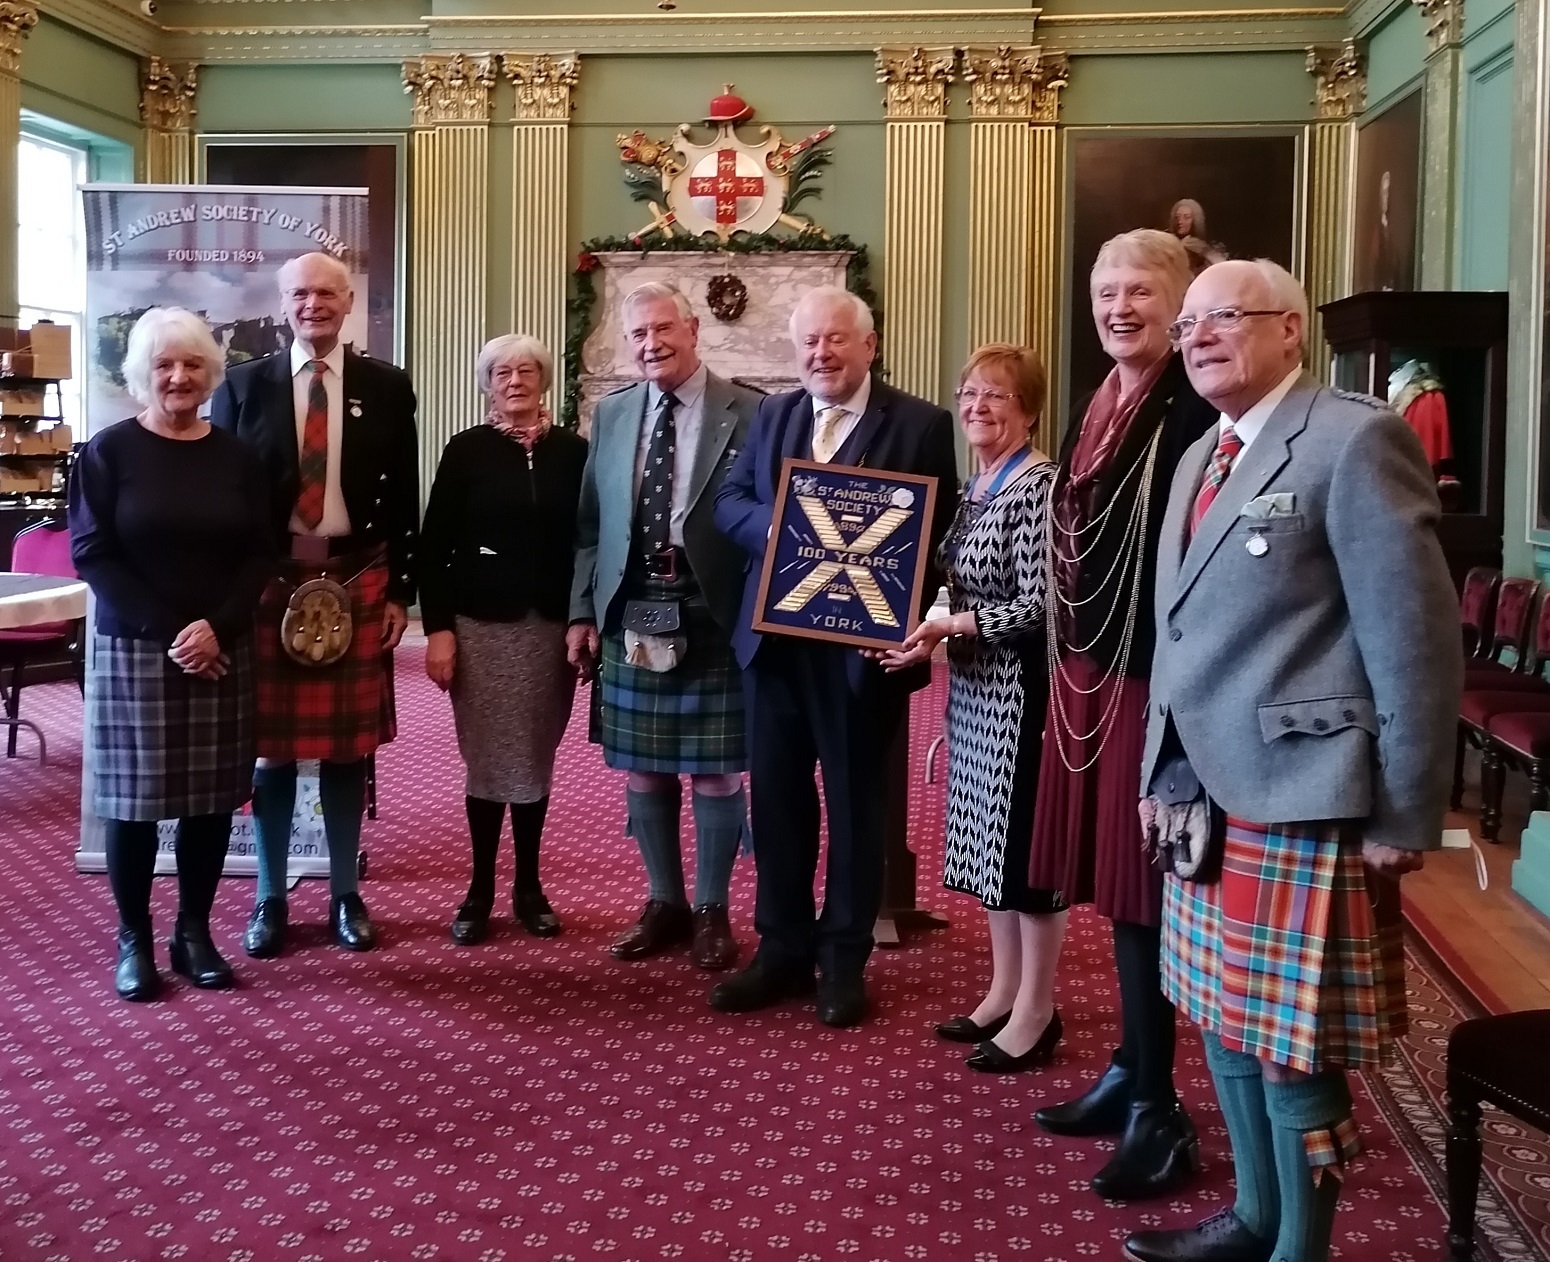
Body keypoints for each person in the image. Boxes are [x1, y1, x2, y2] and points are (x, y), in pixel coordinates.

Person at [1122, 258, 1460, 1262]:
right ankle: (1253, 1219)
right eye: (1187, 323)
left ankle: (1297, 1249)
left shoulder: (1355, 438)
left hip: (1303, 790)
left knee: (1290, 1047)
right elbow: (1177, 634)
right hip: (1203, 789)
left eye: (1223, 316)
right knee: (1222, 1019)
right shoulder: (1200, 452)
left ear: (1287, 329)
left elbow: (1413, 636)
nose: (1197, 336)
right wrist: (1158, 772)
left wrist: (1406, 810)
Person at [710, 285, 959, 1028]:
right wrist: (789, 526)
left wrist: (910, 618)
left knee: (856, 809)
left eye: (836, 340)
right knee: (777, 803)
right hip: (774, 648)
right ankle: (781, 949)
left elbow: (939, 535)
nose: (821, 354)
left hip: (861, 654)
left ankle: (844, 959)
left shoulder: (919, 424)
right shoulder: (774, 414)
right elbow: (729, 502)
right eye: (810, 343)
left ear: (869, 346)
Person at [1027, 229, 1217, 1200]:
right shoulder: (1098, 400)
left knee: (1144, 894)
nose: (1117, 307)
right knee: (1114, 891)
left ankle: (1157, 1104)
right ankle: (1131, 1065)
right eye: (1105, 291)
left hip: (1152, 679)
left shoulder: (1192, 406)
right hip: (1091, 673)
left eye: (1138, 290)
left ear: (1180, 304)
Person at [211, 251, 419, 957]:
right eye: (299, 294)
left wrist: (403, 591)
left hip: (356, 574)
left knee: (346, 750)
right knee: (270, 753)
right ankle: (269, 896)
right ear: (283, 304)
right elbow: (221, 496)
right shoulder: (243, 385)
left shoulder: (387, 386)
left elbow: (405, 495)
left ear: (348, 300)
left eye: (326, 292)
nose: (313, 305)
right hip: (268, 581)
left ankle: (344, 894)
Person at [69, 307, 273, 1001]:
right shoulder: (107, 452)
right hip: (137, 647)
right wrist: (175, 632)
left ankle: (193, 933)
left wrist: (217, 626)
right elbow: (92, 554)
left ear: (210, 374)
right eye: (164, 365)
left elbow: (260, 553)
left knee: (209, 803)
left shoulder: (238, 457)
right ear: (142, 375)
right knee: (132, 805)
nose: (179, 377)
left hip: (221, 647)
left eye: (191, 365)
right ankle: (133, 938)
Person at [880, 344, 1063, 1070]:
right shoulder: (977, 484)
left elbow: (1042, 607)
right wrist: (927, 632)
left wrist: (953, 627)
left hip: (1023, 693)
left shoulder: (1038, 487)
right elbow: (955, 584)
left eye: (996, 395)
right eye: (969, 394)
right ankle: (1003, 992)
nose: (978, 407)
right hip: (975, 691)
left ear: (1029, 410)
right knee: (990, 851)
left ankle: (1038, 1010)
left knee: (1023, 856)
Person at [568, 282, 761, 971]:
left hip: (716, 608)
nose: (651, 345)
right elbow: (590, 527)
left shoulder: (752, 410)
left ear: (693, 329)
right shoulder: (613, 413)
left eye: (663, 329)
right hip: (633, 603)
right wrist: (581, 611)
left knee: (715, 771)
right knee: (644, 768)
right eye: (638, 335)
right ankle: (663, 902)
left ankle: (711, 910)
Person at [420, 335, 587, 945]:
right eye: (501, 373)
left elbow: (589, 542)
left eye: (525, 371)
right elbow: (432, 548)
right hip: (480, 628)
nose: (514, 381)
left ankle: (530, 887)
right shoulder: (466, 450)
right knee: (489, 761)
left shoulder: (574, 452)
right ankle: (480, 889)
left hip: (550, 631)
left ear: (543, 380)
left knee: (535, 759)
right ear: (487, 385)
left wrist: (585, 618)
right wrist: (439, 630)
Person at [1168, 199, 1227, 276]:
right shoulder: (1167, 242)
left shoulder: (1205, 245)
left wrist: (1205, 251)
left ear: (1196, 220)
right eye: (1177, 217)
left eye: (1187, 217)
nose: (1180, 222)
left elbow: (1224, 267)